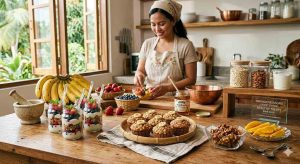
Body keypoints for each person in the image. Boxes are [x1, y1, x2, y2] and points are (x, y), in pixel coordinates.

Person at [134, 0, 198, 99]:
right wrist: (139, 76)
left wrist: (167, 88)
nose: (157, 29)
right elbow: (140, 70)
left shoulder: (185, 45)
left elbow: (191, 79)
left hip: (175, 100)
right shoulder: (147, 44)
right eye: (153, 24)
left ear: (173, 21)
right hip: (148, 100)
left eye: (161, 24)